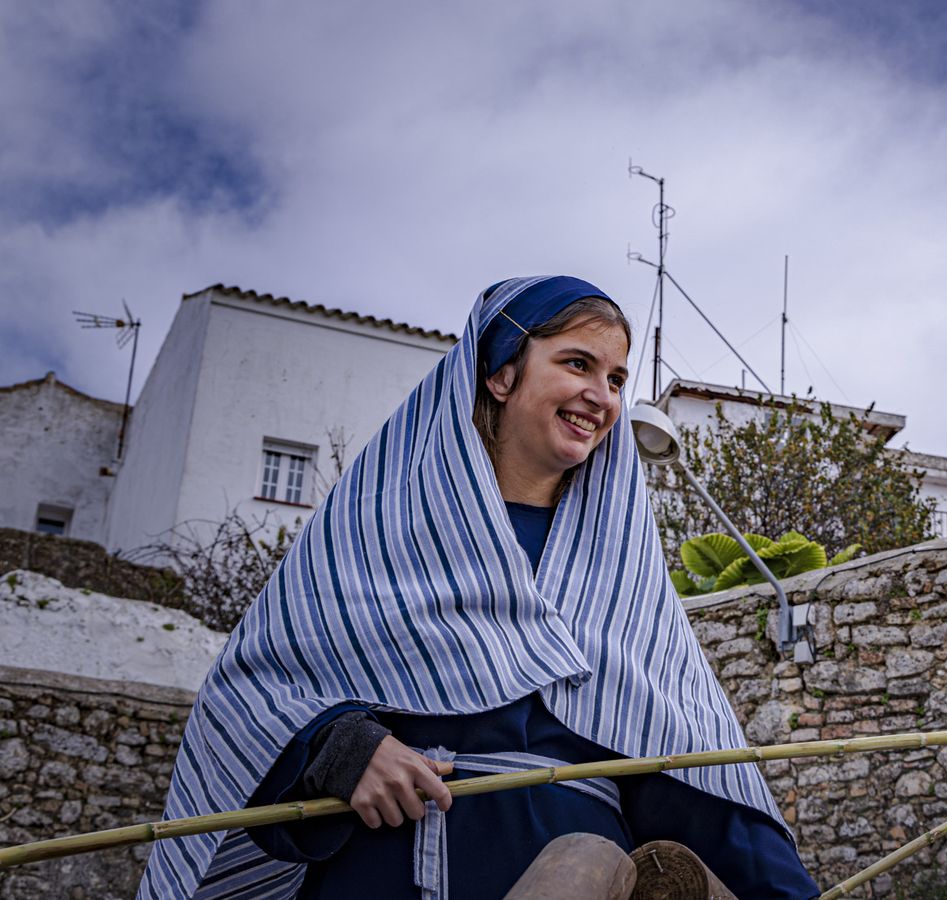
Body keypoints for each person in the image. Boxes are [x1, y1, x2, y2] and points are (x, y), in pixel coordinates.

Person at [139, 277, 819, 899]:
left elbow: (685, 771)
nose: (603, 396)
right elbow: (253, 688)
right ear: (499, 373)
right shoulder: (385, 524)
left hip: (587, 878)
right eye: (578, 363)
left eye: (615, 378)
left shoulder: (623, 570)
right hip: (388, 871)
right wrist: (340, 745)